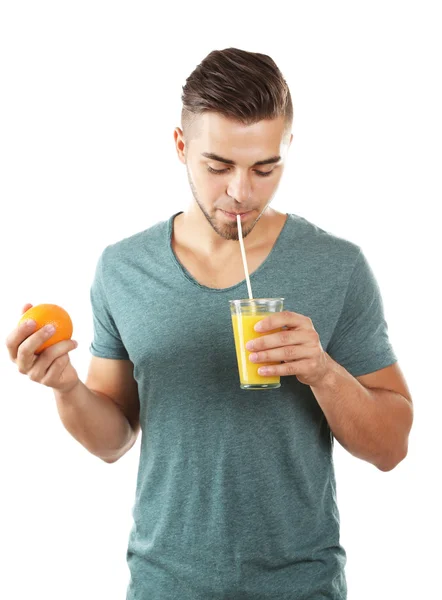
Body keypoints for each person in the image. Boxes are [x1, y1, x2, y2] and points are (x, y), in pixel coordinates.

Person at [6, 47, 413, 600]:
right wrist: (66, 387)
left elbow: (392, 448)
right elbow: (113, 441)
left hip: (301, 586)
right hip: (164, 584)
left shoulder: (337, 266)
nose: (241, 192)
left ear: (287, 149)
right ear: (181, 146)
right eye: (218, 166)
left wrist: (323, 372)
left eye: (264, 168)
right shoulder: (124, 268)